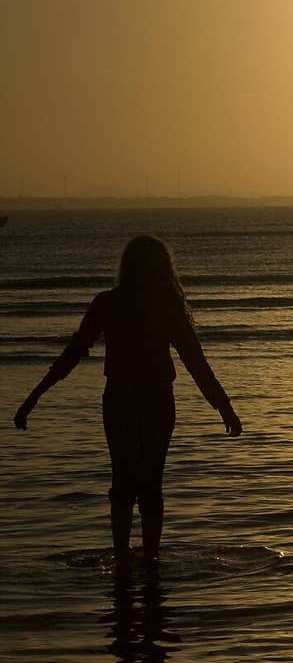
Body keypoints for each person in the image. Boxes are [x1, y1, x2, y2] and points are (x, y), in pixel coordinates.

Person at [13, 234, 242, 560]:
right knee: (150, 483)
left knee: (124, 480)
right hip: (153, 400)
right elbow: (196, 364)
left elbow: (72, 355)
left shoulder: (109, 303)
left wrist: (33, 398)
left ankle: (125, 558)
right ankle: (148, 559)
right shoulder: (162, 306)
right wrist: (225, 409)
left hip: (121, 399)